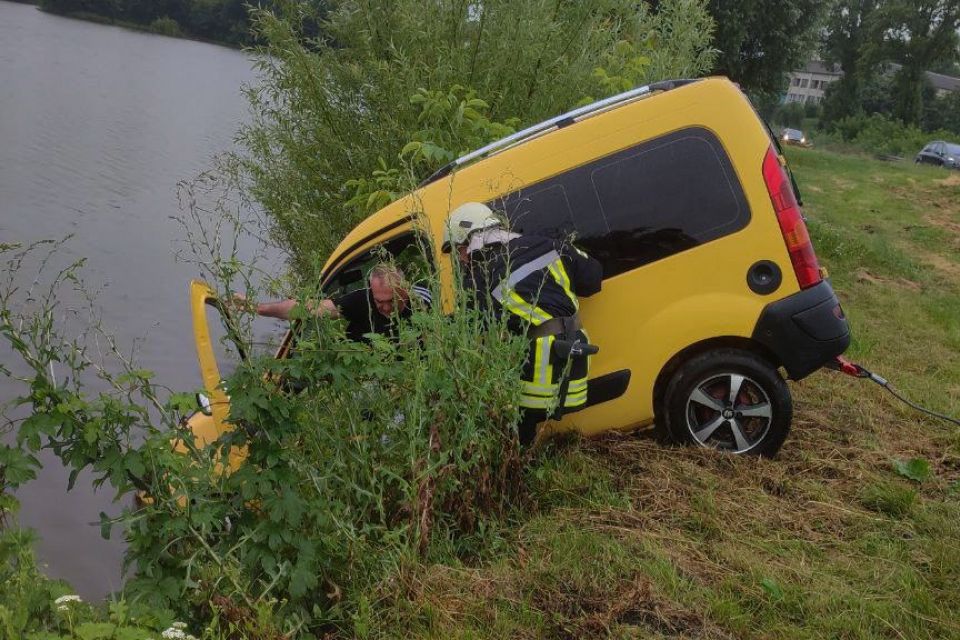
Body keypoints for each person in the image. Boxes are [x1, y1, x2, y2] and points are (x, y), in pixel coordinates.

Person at [443, 202, 603, 445]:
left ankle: (521, 467)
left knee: (508, 425)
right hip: (578, 357)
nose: (461, 259)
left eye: (459, 250)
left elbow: (472, 331)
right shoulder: (549, 244)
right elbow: (593, 279)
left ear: (471, 239)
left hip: (540, 375)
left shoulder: (481, 279)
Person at [238, 264, 431, 342]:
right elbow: (308, 308)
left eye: (392, 300)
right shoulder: (361, 300)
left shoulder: (424, 305)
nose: (387, 307)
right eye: (380, 301)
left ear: (404, 289)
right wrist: (259, 308)